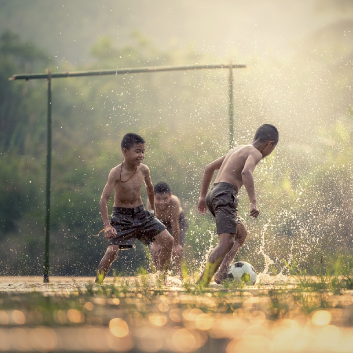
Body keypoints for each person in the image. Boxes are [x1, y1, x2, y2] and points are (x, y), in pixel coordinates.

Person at [197, 124, 279, 286]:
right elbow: (246, 172)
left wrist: (202, 196)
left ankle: (221, 273)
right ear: (269, 143)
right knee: (226, 242)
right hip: (225, 194)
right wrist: (253, 202)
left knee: (240, 234)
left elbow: (209, 168)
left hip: (214, 193)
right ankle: (200, 285)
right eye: (272, 148)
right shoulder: (255, 153)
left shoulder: (238, 149)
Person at [96, 133, 174, 283]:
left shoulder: (144, 170)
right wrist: (107, 225)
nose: (141, 155)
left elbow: (150, 188)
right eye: (137, 151)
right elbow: (103, 199)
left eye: (143, 151)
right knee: (112, 251)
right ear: (125, 151)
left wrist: (152, 212)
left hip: (141, 213)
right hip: (121, 216)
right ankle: (97, 284)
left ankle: (162, 279)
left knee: (169, 240)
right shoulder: (116, 173)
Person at [147, 182, 188, 276]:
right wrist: (155, 243)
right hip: (158, 222)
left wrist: (176, 245)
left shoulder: (174, 202)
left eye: (165, 198)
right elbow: (151, 224)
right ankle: (157, 275)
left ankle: (180, 275)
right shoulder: (150, 203)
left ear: (170, 196)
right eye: (158, 199)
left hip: (177, 222)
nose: (162, 202)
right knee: (155, 250)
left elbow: (175, 224)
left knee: (177, 251)